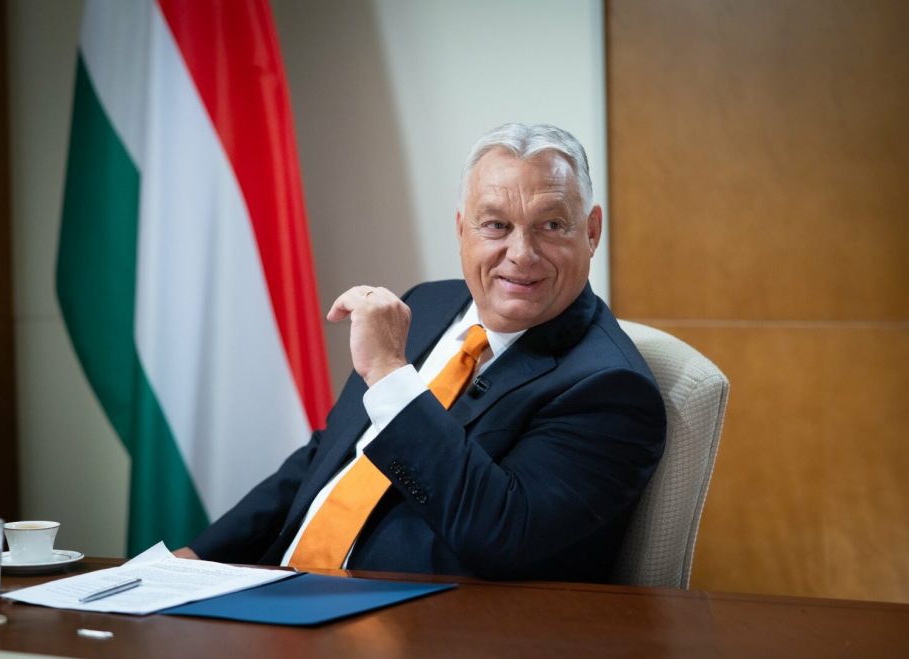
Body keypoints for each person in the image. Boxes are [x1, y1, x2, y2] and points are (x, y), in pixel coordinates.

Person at [176, 123, 666, 583]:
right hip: (279, 587)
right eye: (496, 225)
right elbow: (325, 457)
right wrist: (193, 558)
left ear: (592, 231)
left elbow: (501, 533)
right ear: (462, 229)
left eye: (552, 225)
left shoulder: (610, 389)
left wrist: (391, 375)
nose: (521, 253)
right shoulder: (425, 306)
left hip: (415, 620)